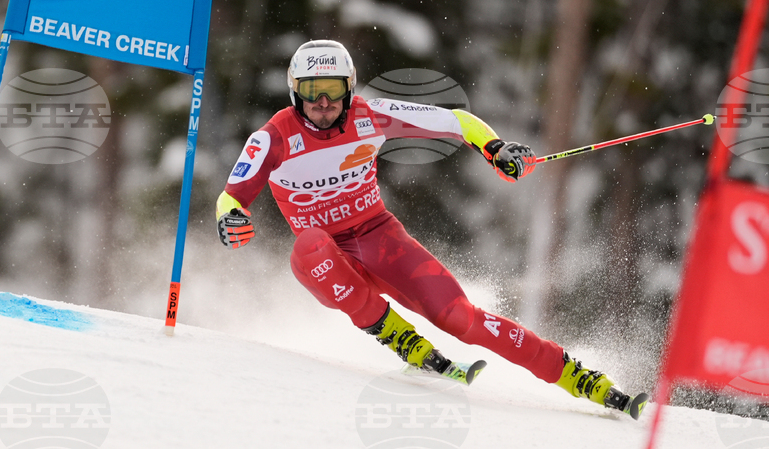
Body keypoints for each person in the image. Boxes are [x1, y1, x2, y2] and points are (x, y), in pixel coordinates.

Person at [216, 39, 648, 419]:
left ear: (349, 89)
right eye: (313, 91)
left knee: (460, 318)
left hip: (380, 239)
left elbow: (456, 121)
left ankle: (574, 374)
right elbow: (231, 197)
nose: (324, 102)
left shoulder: (371, 115)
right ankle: (397, 336)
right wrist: (230, 219)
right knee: (311, 243)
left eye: (333, 89)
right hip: (326, 262)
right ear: (295, 92)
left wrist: (495, 149)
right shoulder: (272, 138)